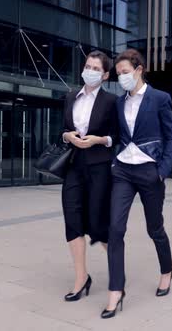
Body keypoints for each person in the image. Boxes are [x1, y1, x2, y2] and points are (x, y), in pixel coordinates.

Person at [102, 49, 172, 319]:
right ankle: (116, 289)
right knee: (114, 229)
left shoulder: (160, 98)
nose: (121, 77)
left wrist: (162, 171)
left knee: (154, 228)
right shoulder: (119, 102)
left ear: (139, 69)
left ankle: (167, 269)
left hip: (150, 171)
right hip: (123, 170)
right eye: (118, 73)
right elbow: (117, 134)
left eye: (125, 72)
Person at [60, 51, 118, 302]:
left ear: (105, 75)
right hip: (74, 165)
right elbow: (63, 129)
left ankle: (118, 276)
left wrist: (99, 140)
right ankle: (81, 278)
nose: (90, 71)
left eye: (96, 68)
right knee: (72, 220)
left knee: (98, 224)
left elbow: (119, 136)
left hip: (99, 167)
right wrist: (67, 136)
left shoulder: (111, 101)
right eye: (87, 66)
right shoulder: (71, 96)